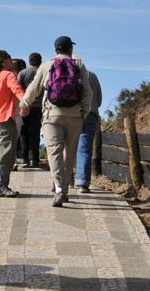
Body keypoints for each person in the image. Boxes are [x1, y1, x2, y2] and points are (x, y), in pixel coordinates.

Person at [20, 36, 92, 207]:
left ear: (55, 50)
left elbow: (33, 89)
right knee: (70, 152)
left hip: (52, 115)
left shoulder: (47, 65)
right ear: (70, 49)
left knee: (54, 152)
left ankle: (59, 188)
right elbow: (88, 92)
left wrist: (24, 105)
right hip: (75, 115)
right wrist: (84, 111)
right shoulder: (79, 64)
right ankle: (64, 187)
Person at [0, 50, 25, 198]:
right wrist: (25, 104)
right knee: (6, 156)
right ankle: (1, 186)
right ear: (3, 61)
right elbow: (18, 90)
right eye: (9, 57)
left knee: (0, 156)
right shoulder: (8, 75)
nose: (11, 60)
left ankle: (0, 184)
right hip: (4, 120)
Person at [75, 71, 102, 193]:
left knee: (67, 148)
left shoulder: (64, 73)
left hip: (71, 114)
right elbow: (99, 100)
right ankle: (82, 183)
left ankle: (66, 180)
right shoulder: (92, 75)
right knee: (84, 149)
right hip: (90, 115)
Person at [18, 52, 43, 168]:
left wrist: (23, 105)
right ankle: (35, 159)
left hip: (25, 105)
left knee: (24, 133)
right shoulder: (42, 73)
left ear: (29, 61)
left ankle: (25, 158)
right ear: (40, 61)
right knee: (35, 133)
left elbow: (18, 90)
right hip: (38, 107)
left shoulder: (22, 73)